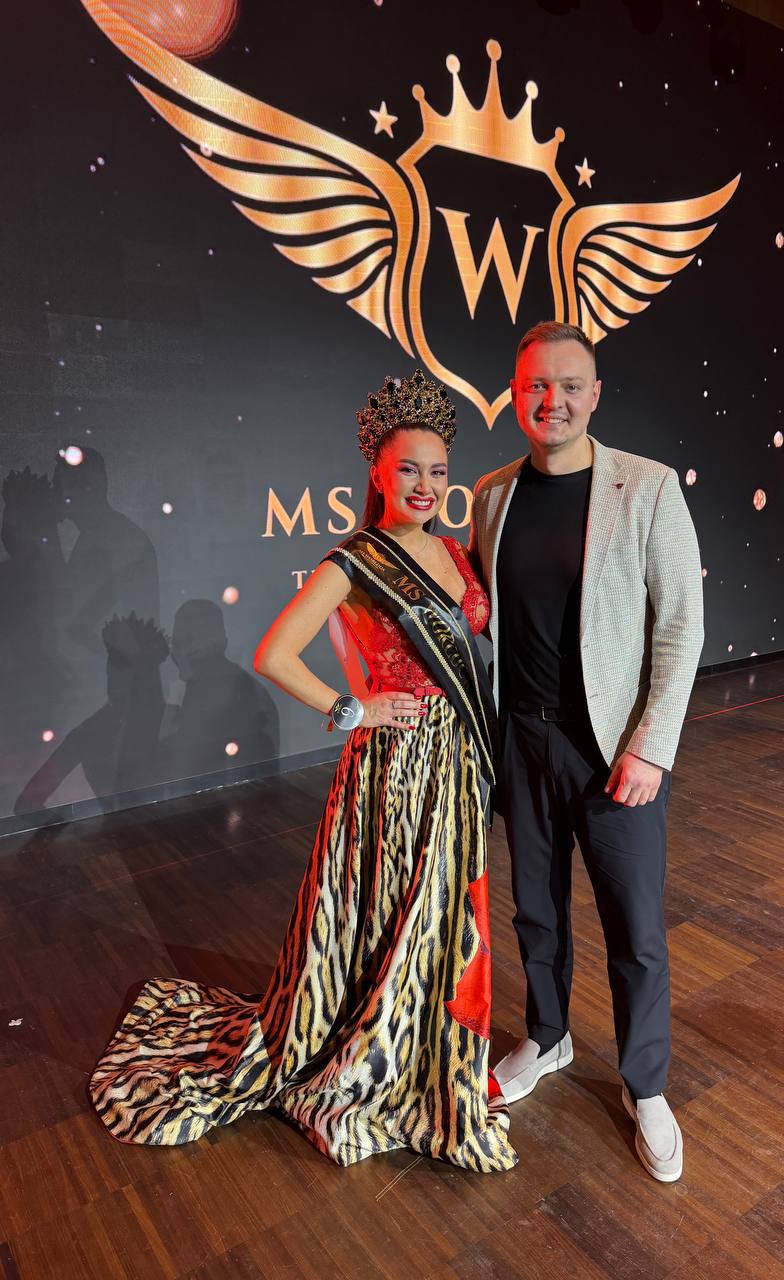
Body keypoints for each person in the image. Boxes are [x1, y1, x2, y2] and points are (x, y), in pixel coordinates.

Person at [88, 368, 517, 1174]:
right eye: (408, 469)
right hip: (397, 767)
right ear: (378, 473)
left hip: (457, 760)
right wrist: (355, 708)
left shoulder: (457, 553)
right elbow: (273, 654)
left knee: (441, 909)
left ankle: (427, 1042)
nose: (425, 485)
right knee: (398, 912)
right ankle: (379, 1052)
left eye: (437, 471)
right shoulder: (354, 562)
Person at [470, 321, 704, 1183]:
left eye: (569, 385)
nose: (553, 401)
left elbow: (681, 628)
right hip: (523, 741)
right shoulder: (492, 494)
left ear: (595, 394)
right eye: (536, 385)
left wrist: (651, 748)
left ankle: (646, 1084)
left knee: (635, 929)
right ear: (515, 394)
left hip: (616, 755)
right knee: (536, 911)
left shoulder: (648, 487)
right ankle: (548, 1035)